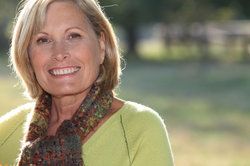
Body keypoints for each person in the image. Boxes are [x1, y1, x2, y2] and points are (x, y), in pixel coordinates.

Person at [0, 0, 174, 165]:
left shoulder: (141, 129)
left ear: (101, 46)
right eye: (43, 40)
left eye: (73, 36)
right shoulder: (4, 136)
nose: (59, 53)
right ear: (27, 55)